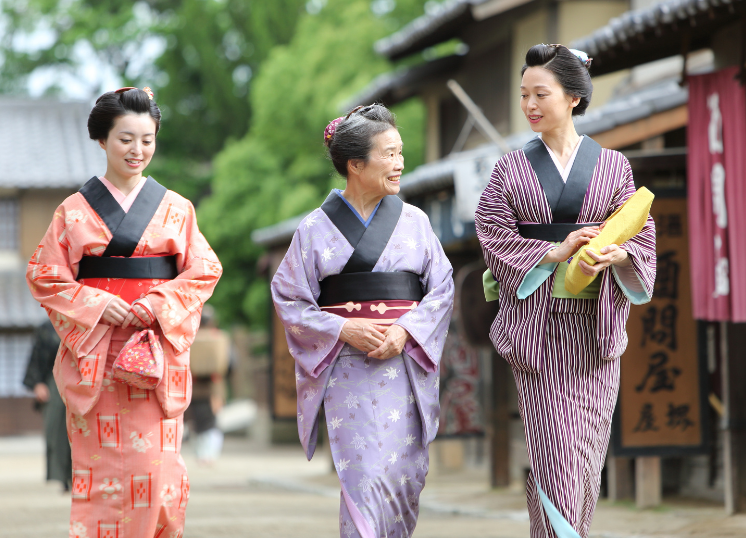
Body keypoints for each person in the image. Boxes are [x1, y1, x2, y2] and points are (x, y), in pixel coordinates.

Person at [475, 44, 656, 538]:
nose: (530, 105)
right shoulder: (509, 169)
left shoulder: (614, 165)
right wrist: (554, 253)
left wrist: (618, 255)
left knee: (584, 459)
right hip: (537, 331)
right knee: (555, 454)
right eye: (523, 95)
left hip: (596, 330)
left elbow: (639, 231)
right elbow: (491, 232)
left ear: (573, 97)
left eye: (541, 94)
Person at [26, 87, 222, 538]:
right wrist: (97, 303)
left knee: (160, 478)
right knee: (100, 482)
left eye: (147, 139)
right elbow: (44, 275)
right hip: (97, 356)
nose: (138, 150)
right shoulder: (72, 212)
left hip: (155, 354)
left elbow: (205, 269)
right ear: (102, 141)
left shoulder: (177, 209)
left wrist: (156, 303)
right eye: (125, 139)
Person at [271, 103, 454, 538]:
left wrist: (407, 330)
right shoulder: (314, 229)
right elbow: (289, 296)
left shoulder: (415, 221)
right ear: (356, 164)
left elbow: (442, 288)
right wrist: (341, 328)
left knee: (404, 479)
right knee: (365, 478)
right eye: (389, 153)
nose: (400, 163)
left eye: (400, 152)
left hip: (403, 365)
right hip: (349, 370)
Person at [23, 319, 72, 492]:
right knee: (57, 430)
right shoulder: (47, 327)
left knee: (81, 430)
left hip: (83, 379)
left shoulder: (86, 319)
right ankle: (63, 477)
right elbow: (37, 355)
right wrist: (38, 383)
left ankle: (81, 476)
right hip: (54, 382)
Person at [187, 304, 230, 463]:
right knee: (212, 422)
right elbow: (230, 364)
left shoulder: (188, 338)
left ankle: (200, 454)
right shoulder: (219, 337)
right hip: (214, 388)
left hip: (192, 386)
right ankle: (209, 455)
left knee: (194, 422)